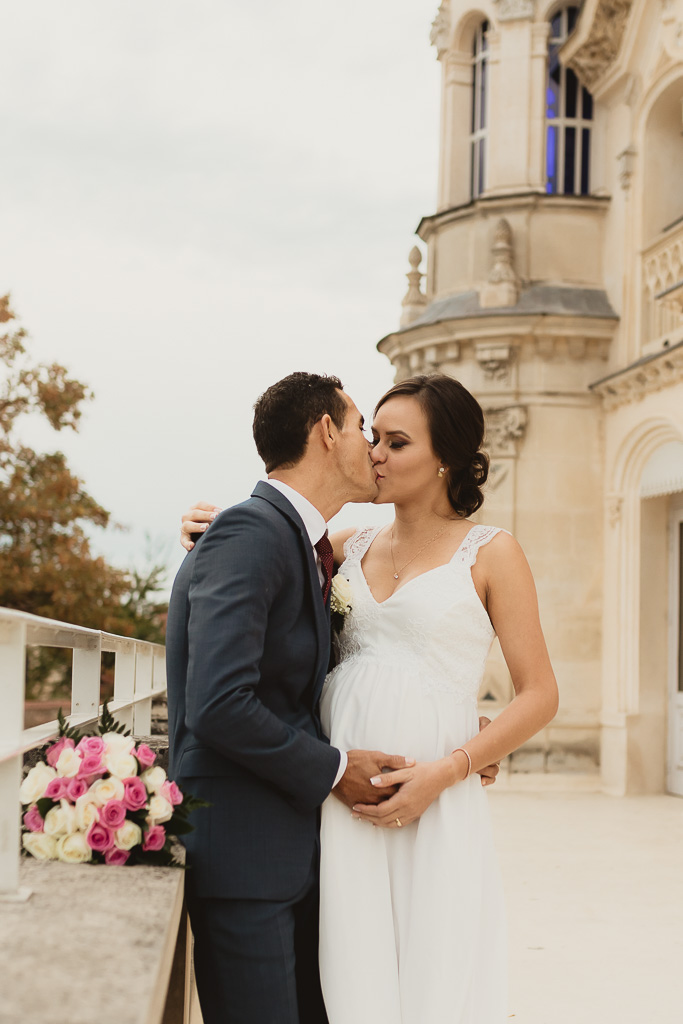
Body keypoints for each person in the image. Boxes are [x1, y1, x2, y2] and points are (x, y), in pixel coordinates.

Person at [179, 373, 557, 1024]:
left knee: (432, 970)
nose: (376, 453)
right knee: (351, 978)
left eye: (396, 442)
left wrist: (457, 759)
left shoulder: (492, 553)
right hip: (338, 806)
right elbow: (270, 603)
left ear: (446, 458)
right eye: (372, 436)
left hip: (432, 796)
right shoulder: (341, 547)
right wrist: (202, 531)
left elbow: (541, 693)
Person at [166, 372, 414, 1024]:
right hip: (244, 861)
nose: (373, 448)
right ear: (327, 432)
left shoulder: (288, 539)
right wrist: (334, 769)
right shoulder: (252, 534)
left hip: (282, 857)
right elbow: (218, 702)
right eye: (363, 428)